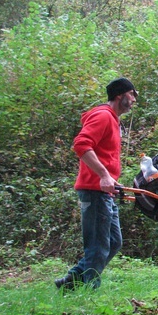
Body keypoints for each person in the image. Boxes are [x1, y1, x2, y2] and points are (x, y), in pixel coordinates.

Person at [55, 78, 138, 290]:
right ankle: (88, 293)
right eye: (132, 94)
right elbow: (81, 144)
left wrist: (110, 177)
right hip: (94, 191)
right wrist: (103, 175)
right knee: (98, 246)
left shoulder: (113, 120)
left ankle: (71, 281)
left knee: (113, 242)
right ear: (119, 95)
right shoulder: (103, 116)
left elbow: (104, 155)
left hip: (103, 192)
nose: (134, 98)